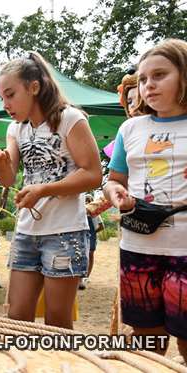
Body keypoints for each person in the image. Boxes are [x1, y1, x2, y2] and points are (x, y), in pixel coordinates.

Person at [0, 52, 102, 329]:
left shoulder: (70, 119)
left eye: (10, 95)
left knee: (57, 322)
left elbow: (93, 174)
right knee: (16, 318)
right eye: (1, 98)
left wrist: (44, 189)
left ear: (34, 87)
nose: (6, 104)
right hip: (27, 232)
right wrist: (2, 163)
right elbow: (8, 178)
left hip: (65, 231)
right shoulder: (16, 129)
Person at [103, 38, 187, 360]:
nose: (148, 85)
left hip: (185, 251)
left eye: (159, 75)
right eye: (142, 79)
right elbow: (114, 181)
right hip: (138, 248)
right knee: (146, 343)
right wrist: (115, 194)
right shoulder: (129, 129)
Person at [79, 194, 104, 290]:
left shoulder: (95, 214)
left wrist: (93, 233)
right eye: (86, 200)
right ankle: (81, 277)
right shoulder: (81, 212)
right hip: (82, 234)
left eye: (89, 200)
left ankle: (86, 276)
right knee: (82, 255)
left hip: (91, 235)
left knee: (90, 254)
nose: (87, 202)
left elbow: (101, 226)